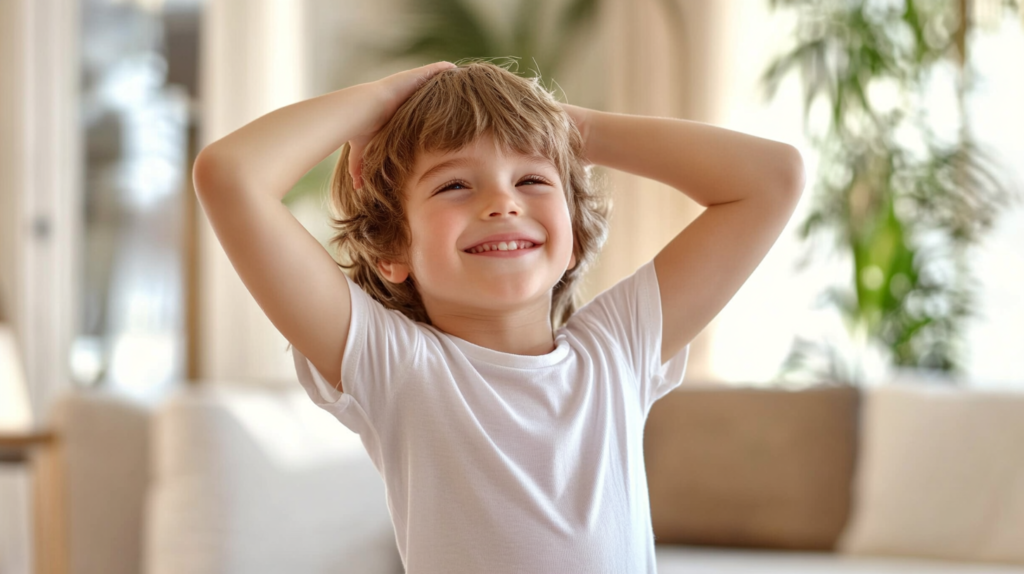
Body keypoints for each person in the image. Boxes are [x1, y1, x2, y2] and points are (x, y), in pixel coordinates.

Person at [193, 60, 804, 574]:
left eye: (533, 178)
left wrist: (571, 129)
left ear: (572, 229)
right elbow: (230, 175)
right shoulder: (397, 366)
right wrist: (382, 102)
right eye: (455, 185)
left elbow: (774, 178)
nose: (503, 202)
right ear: (392, 250)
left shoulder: (618, 349)